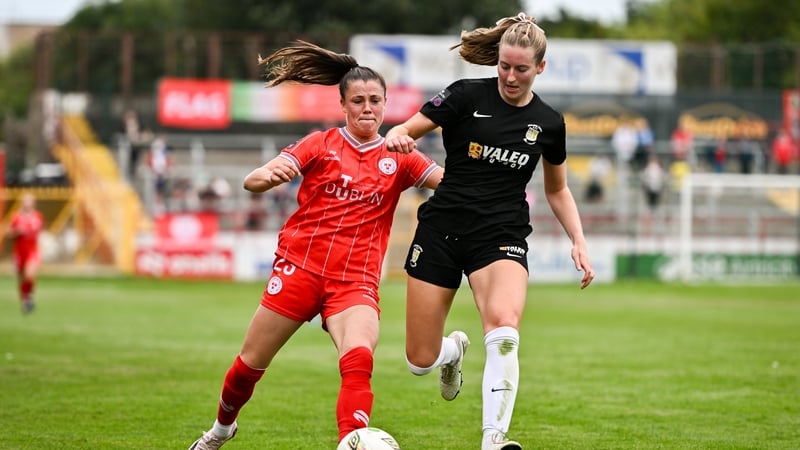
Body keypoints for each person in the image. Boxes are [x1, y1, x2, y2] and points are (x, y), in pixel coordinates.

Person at [188, 40, 443, 450]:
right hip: (299, 268)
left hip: (354, 282)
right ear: (343, 105)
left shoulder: (401, 156)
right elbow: (251, 180)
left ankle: (351, 441)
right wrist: (272, 173)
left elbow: (452, 187)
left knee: (359, 361)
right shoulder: (320, 144)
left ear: (385, 104)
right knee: (249, 365)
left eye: (375, 101)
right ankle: (221, 430)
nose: (367, 108)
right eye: (357, 100)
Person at [384, 12, 595, 450]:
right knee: (419, 360)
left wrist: (578, 239)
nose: (510, 77)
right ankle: (452, 353)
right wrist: (399, 136)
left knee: (504, 330)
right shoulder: (464, 96)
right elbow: (406, 127)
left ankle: (493, 440)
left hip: (500, 235)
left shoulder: (550, 124)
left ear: (541, 67)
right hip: (441, 230)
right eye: (503, 65)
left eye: (521, 68)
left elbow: (558, 191)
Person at [5, 192, 44, 314]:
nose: (27, 203)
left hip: (32, 250)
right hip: (19, 251)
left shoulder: (38, 216)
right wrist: (17, 231)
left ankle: (29, 296)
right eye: (25, 200)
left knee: (29, 274)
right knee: (21, 278)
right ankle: (25, 300)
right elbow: (9, 233)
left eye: (29, 200)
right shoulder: (16, 217)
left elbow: (39, 233)